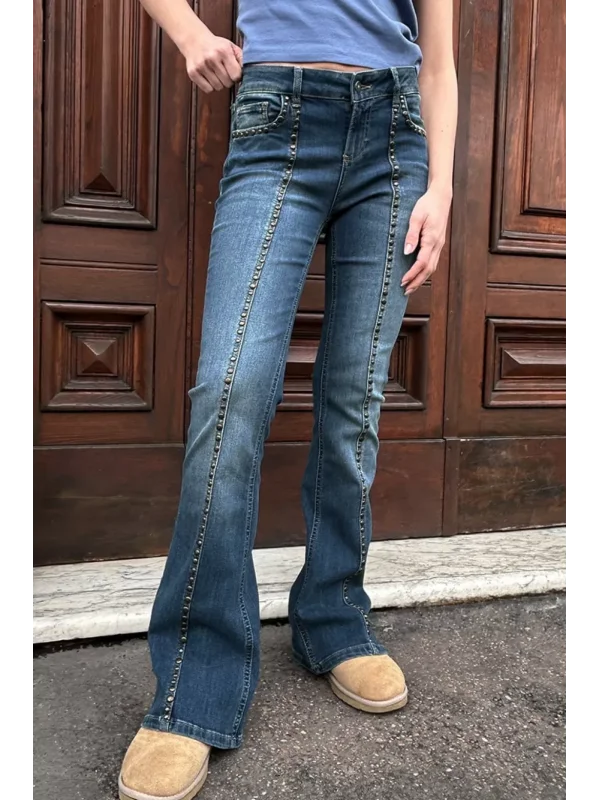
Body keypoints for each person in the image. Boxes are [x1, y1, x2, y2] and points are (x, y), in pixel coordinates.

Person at [119, 2, 457, 798]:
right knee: (231, 388)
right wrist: (190, 34)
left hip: (395, 138)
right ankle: (193, 684)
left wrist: (442, 187)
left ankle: (334, 616)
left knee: (354, 399)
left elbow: (439, 61)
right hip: (277, 119)